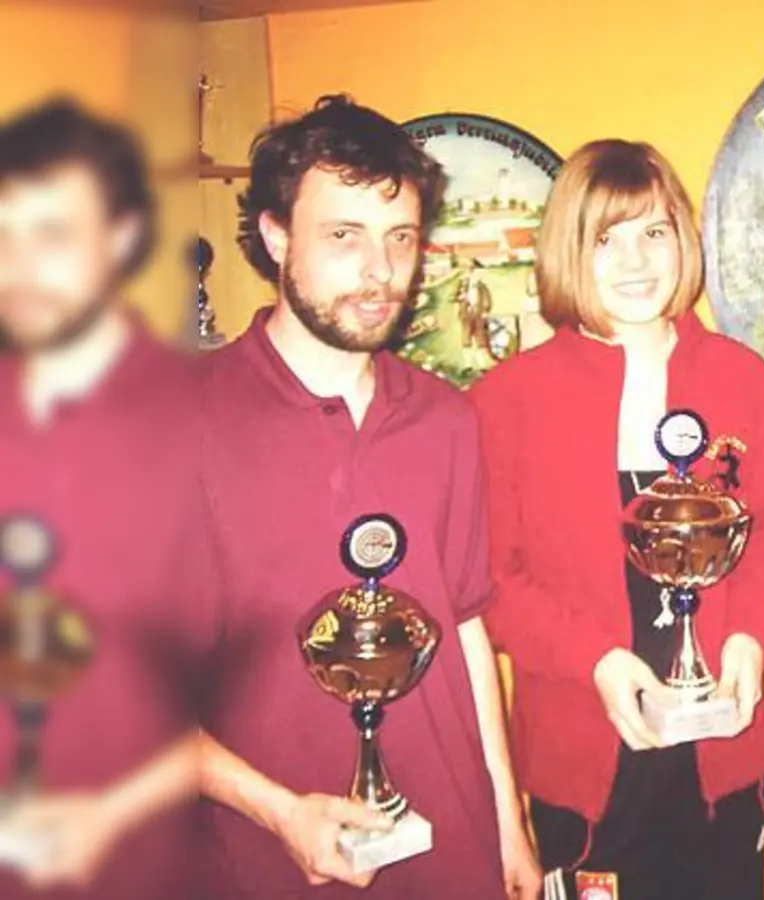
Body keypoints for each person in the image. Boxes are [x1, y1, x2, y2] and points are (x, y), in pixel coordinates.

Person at [192, 94, 540, 898]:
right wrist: (279, 812)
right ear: (277, 237)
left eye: (400, 239)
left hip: (451, 853)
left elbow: (467, 630)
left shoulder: (448, 417)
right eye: (344, 237)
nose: (380, 272)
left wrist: (506, 821)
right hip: (268, 864)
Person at [468, 139, 764, 900]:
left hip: (721, 748)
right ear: (569, 251)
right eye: (604, 239)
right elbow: (494, 582)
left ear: (683, 236)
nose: (635, 260)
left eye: (654, 231)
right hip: (584, 755)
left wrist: (750, 636)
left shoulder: (742, 378)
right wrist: (596, 662)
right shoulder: (508, 399)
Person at [0, 97, 199, 900]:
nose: (18, 268)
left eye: (52, 236)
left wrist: (111, 814)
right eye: (2, 236)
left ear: (119, 239)